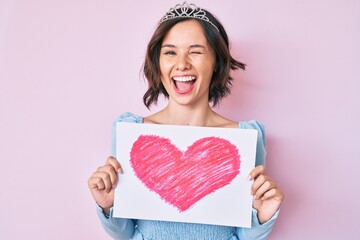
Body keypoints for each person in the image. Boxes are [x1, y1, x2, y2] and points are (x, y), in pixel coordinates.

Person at [88, 2, 284, 240]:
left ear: (216, 62)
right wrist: (109, 206)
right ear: (158, 63)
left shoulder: (245, 137)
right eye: (170, 52)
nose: (182, 64)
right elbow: (126, 234)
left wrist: (262, 217)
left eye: (196, 51)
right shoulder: (131, 132)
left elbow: (244, 235)